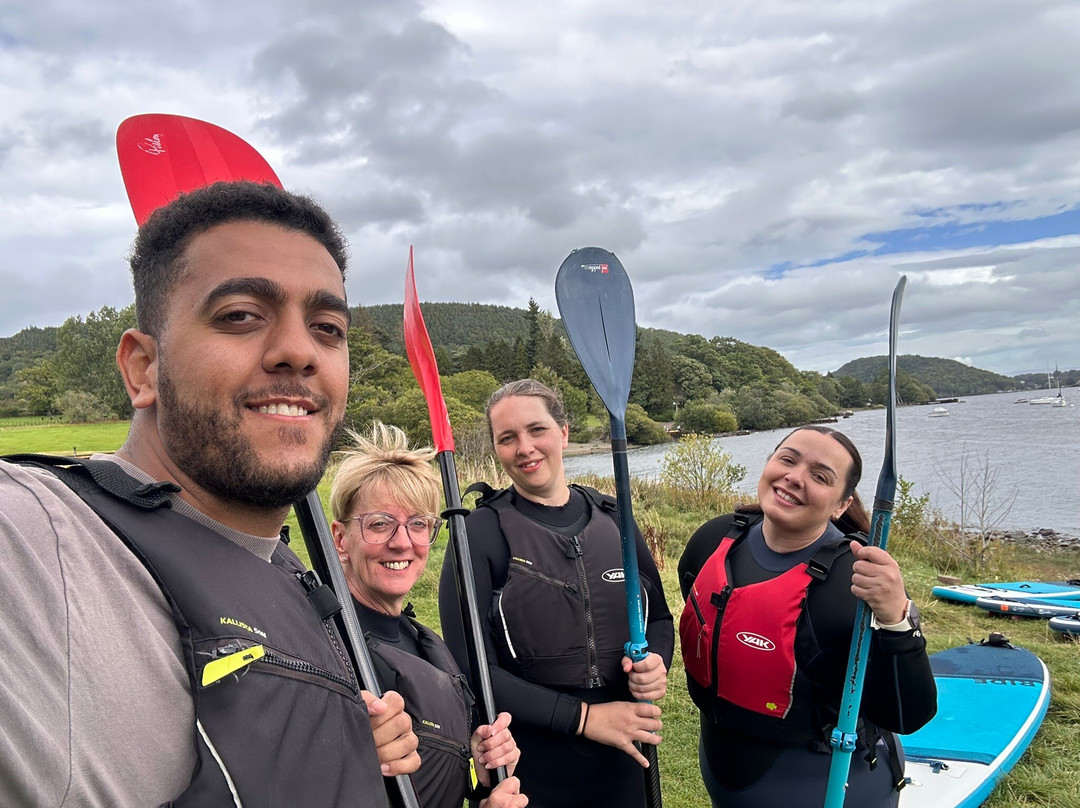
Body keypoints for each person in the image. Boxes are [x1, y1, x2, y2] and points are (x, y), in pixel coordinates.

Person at [0, 181, 420, 807]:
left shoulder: (291, 575)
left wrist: (335, 742)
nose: (299, 351)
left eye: (327, 327)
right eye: (241, 315)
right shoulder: (39, 532)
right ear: (143, 368)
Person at [438, 378, 674, 808]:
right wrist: (585, 718)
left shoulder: (615, 517)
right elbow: (471, 669)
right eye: (507, 438)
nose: (524, 447)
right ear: (496, 448)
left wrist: (657, 662)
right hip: (532, 761)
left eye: (536, 429)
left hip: (625, 753)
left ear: (563, 432)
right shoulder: (479, 533)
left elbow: (657, 618)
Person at [677, 425, 937, 808]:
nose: (794, 478)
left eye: (820, 476)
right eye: (787, 459)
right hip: (724, 767)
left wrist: (897, 618)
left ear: (841, 505)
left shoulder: (859, 581)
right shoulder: (713, 540)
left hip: (824, 785)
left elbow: (908, 713)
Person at [329, 421, 529, 808]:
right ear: (340, 539)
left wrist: (477, 766)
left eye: (418, 524)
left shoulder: (421, 639)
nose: (402, 542)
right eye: (379, 524)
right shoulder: (327, 652)